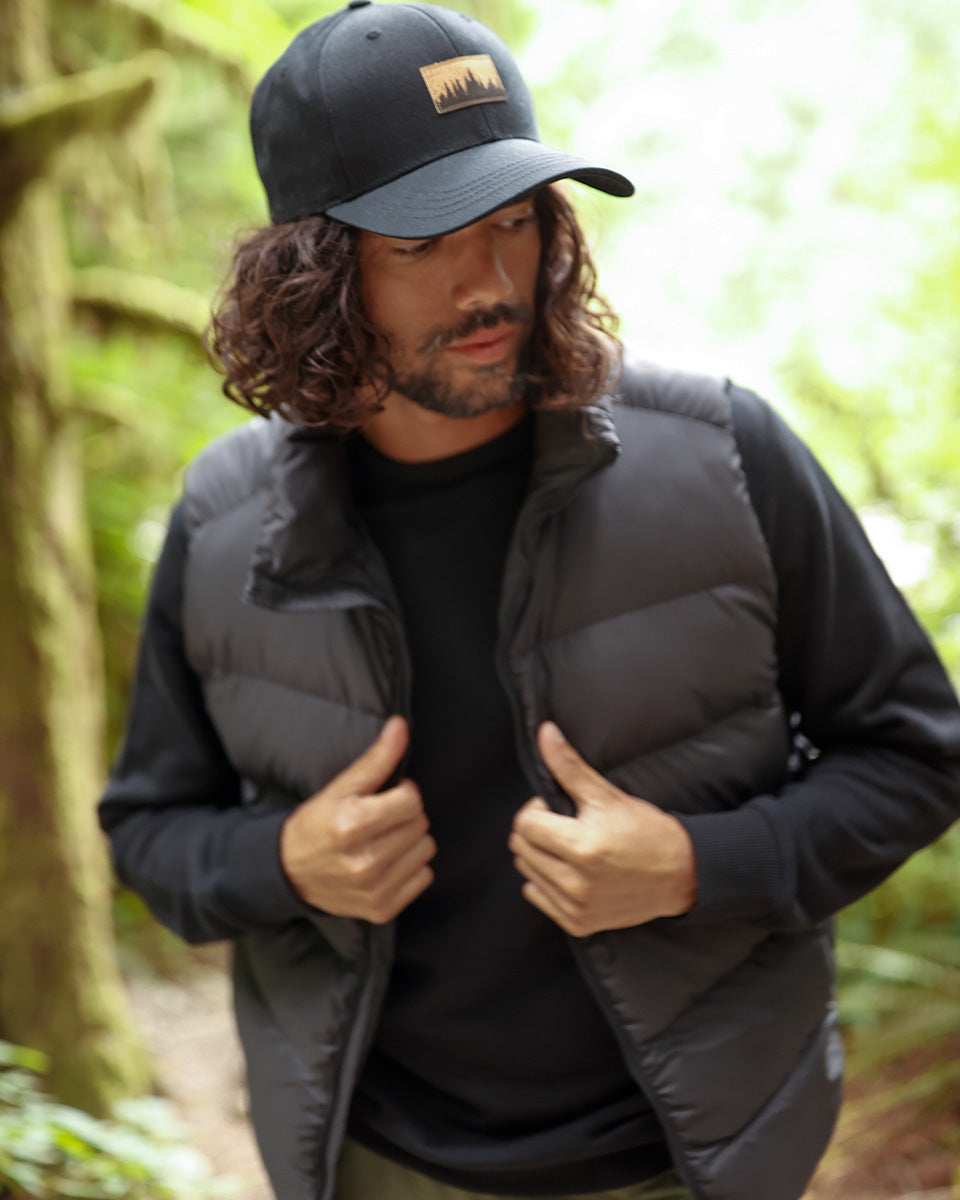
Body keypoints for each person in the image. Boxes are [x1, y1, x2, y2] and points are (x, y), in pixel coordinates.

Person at [98, 4, 960, 1200]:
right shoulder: (220, 520)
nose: (492, 280)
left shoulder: (726, 454)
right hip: (374, 1162)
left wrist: (700, 864)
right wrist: (283, 861)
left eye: (513, 220)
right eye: (424, 242)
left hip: (690, 1159)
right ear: (309, 274)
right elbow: (149, 834)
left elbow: (917, 756)